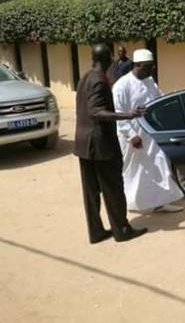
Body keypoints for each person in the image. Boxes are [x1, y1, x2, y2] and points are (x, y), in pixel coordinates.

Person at [74, 43, 147, 244]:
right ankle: (122, 230)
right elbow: (96, 112)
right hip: (100, 144)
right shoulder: (99, 80)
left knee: (92, 192)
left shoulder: (85, 77)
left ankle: (96, 232)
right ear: (108, 59)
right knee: (113, 188)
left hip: (83, 143)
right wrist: (128, 114)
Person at [112, 49, 184, 213]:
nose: (152, 69)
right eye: (148, 66)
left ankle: (160, 202)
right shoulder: (121, 85)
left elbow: (159, 99)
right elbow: (118, 112)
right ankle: (131, 204)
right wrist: (132, 136)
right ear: (137, 65)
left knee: (158, 166)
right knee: (135, 171)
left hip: (151, 134)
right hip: (133, 136)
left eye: (152, 66)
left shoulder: (150, 81)